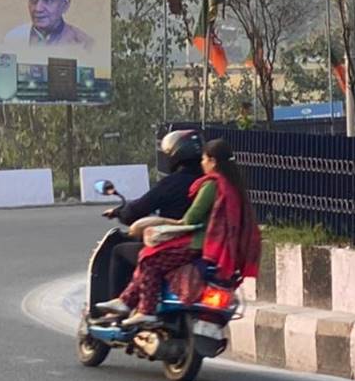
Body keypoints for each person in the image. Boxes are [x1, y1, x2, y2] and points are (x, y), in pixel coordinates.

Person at [98, 138, 261, 327]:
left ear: (213, 161)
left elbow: (190, 219)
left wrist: (161, 223)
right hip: (222, 249)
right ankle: (125, 301)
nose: (202, 163)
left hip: (200, 243)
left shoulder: (210, 185)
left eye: (205, 159)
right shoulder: (234, 187)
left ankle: (145, 310)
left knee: (149, 258)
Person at [104, 129, 204, 294]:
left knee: (119, 252)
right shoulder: (211, 182)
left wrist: (119, 212)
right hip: (208, 249)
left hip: (175, 247)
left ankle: (120, 304)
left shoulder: (171, 183)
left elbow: (136, 210)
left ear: (175, 155)